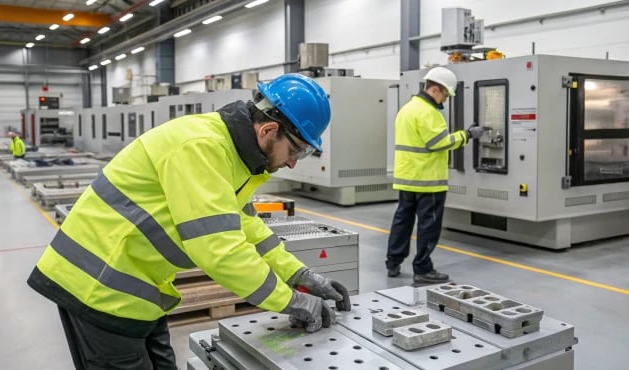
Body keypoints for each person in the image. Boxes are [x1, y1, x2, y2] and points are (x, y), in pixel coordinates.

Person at [27, 73, 349, 370]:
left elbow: (248, 229)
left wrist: (301, 275)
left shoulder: (234, 157)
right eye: (296, 150)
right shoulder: (201, 148)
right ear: (268, 131)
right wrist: (291, 302)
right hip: (97, 287)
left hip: (140, 290)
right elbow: (221, 251)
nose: (293, 162)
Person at [385, 67, 485, 285]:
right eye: (446, 94)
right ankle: (423, 268)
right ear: (436, 89)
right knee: (428, 226)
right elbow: (438, 143)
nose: (447, 99)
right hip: (427, 181)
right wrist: (467, 135)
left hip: (407, 178)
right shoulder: (429, 113)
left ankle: (393, 261)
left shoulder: (407, 108)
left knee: (402, 220)